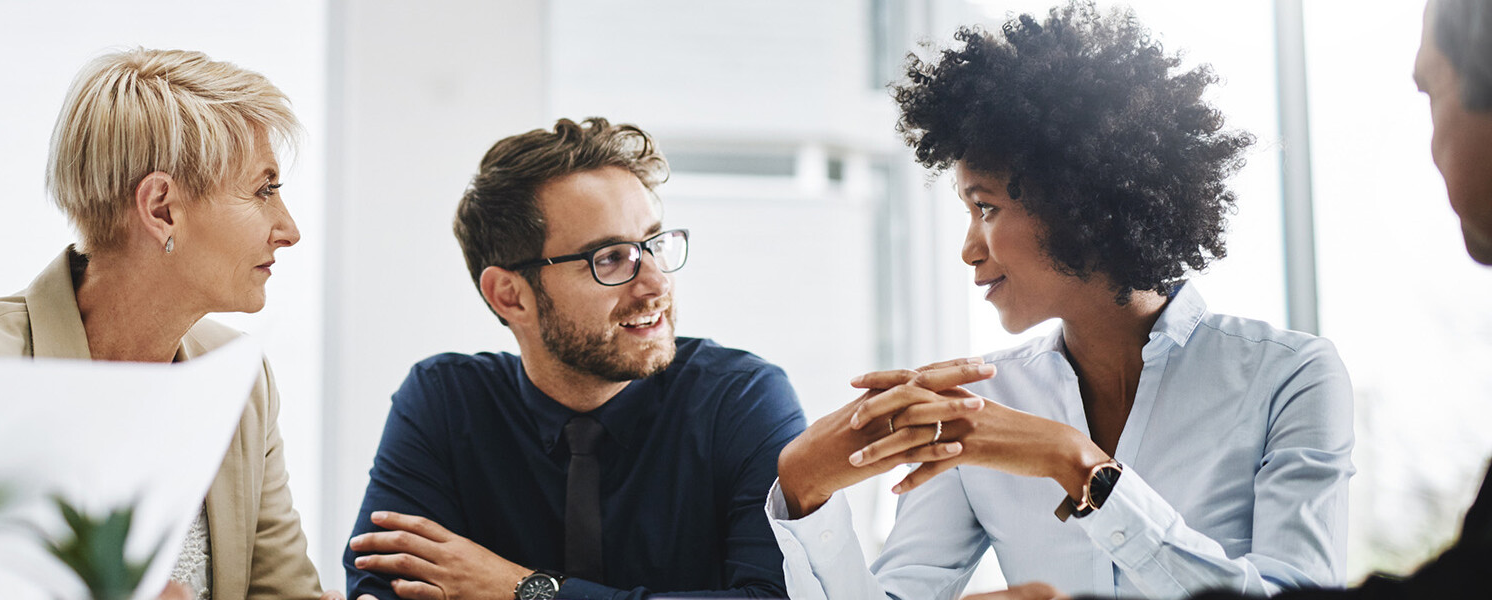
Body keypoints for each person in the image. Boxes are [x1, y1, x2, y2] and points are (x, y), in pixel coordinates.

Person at [768, 3, 1355, 599]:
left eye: (986, 207)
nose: (970, 248)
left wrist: (1077, 465)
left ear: (1078, 202)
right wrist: (804, 492)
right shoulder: (980, 411)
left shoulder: (1289, 376)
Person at [0, 48, 333, 600]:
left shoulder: (243, 379)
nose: (288, 229)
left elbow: (285, 591)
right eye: (264, 189)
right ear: (161, 208)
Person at [342, 117, 805, 600]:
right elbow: (384, 583)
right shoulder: (444, 400)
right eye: (609, 258)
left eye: (653, 245)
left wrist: (522, 589)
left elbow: (775, 597)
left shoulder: (742, 398)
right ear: (510, 296)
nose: (656, 284)